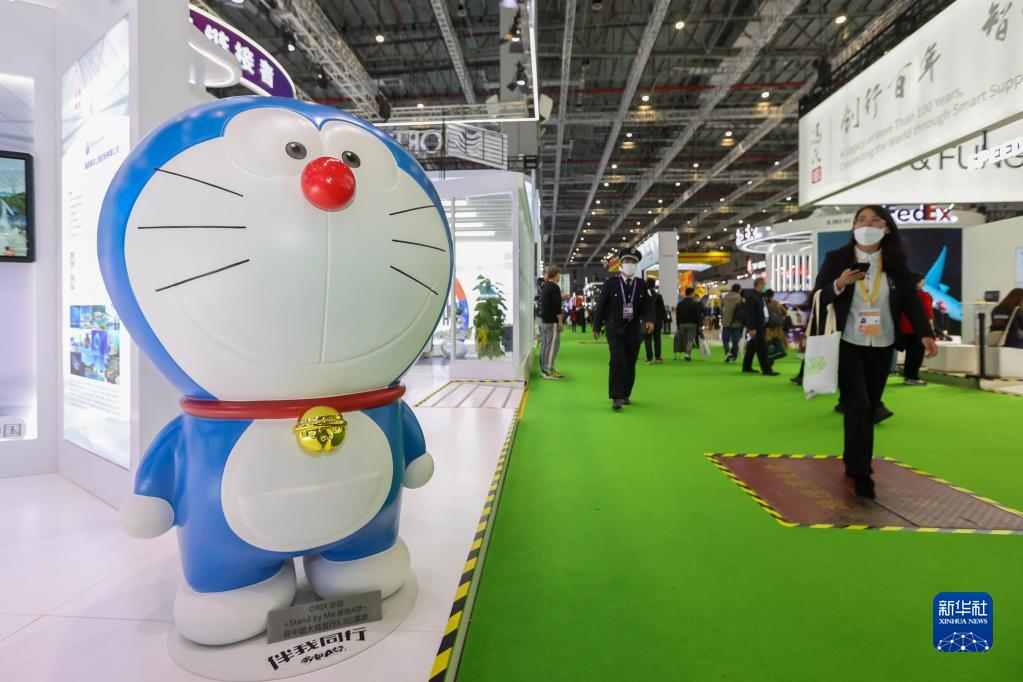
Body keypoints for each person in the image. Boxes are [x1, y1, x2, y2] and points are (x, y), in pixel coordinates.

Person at [814, 205, 937, 499]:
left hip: (882, 343)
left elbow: (910, 302)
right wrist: (839, 284)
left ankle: (853, 458)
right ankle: (861, 471)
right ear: (854, 226)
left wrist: (925, 333)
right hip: (848, 341)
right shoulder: (837, 259)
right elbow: (817, 296)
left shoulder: (896, 265)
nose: (867, 225)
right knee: (856, 404)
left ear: (887, 228)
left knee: (869, 408)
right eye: (861, 220)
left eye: (875, 220)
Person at [592, 249, 654, 411]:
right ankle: (615, 396)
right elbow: (601, 306)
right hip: (614, 328)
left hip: (634, 329)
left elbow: (648, 305)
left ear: (637, 265)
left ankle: (625, 393)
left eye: (633, 262)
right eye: (627, 261)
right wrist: (596, 326)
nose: (630, 264)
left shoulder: (642, 285)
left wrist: (649, 320)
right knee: (617, 360)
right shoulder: (610, 284)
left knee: (630, 361)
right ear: (621, 264)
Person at [900, 272, 934, 385]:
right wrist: (931, 330)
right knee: (916, 354)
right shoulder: (924, 295)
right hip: (918, 330)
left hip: (904, 328)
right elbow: (928, 314)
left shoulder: (903, 295)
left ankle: (908, 376)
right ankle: (912, 377)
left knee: (910, 354)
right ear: (920, 281)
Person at [742, 278, 779, 376]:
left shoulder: (761, 296)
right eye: (763, 284)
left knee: (751, 347)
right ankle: (767, 369)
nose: (765, 285)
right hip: (756, 327)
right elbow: (750, 313)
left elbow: (764, 310)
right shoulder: (751, 297)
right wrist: (752, 328)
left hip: (761, 325)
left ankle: (746, 366)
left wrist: (767, 324)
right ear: (759, 284)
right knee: (762, 348)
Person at [538, 265, 565, 380]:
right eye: (559, 274)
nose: (559, 276)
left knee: (546, 345)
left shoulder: (546, 286)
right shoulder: (554, 287)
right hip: (551, 321)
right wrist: (560, 321)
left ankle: (545, 369)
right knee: (552, 346)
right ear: (556, 274)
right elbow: (556, 307)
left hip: (545, 321)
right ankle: (548, 370)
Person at [674, 287, 703, 361]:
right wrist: (700, 325)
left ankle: (686, 353)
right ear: (691, 293)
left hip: (682, 324)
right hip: (692, 324)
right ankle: (687, 354)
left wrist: (678, 325)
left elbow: (678, 315)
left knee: (684, 340)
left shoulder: (680, 303)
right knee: (690, 340)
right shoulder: (695, 303)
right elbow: (698, 315)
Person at [644, 280, 667, 364]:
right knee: (657, 339)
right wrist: (664, 320)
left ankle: (649, 358)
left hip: (647, 320)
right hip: (657, 320)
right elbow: (662, 309)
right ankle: (658, 357)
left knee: (647, 339)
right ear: (654, 285)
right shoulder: (658, 296)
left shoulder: (644, 296)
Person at [720, 283, 744, 362]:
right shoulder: (740, 298)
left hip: (726, 321)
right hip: (737, 322)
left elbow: (721, 308)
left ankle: (728, 353)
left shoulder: (725, 297)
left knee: (725, 339)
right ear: (739, 289)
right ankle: (734, 357)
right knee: (735, 341)